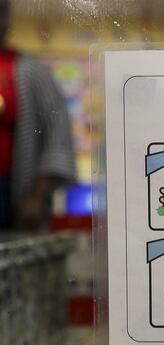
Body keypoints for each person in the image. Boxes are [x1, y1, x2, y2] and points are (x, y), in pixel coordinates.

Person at [0, 0, 75, 230]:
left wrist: (36, 195)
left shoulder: (31, 70)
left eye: (2, 12)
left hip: (12, 191)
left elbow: (57, 136)